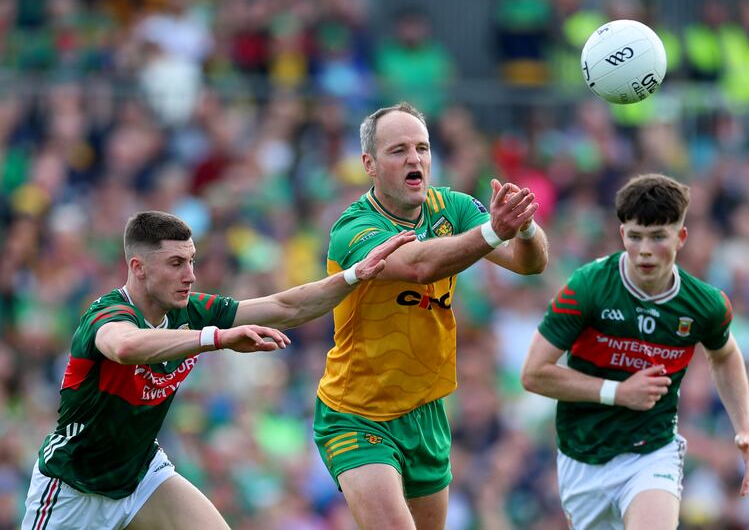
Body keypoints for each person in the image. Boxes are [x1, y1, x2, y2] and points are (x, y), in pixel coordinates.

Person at [21, 210, 415, 530]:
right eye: (176, 263)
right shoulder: (108, 314)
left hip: (141, 475)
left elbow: (285, 308)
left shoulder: (189, 310)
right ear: (138, 267)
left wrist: (353, 276)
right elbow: (125, 347)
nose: (190, 275)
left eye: (191, 261)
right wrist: (216, 338)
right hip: (72, 485)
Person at [312, 101, 549, 530]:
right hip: (357, 411)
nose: (414, 158)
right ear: (369, 163)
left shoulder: (452, 207)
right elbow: (418, 266)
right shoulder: (353, 228)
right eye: (398, 150)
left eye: (421, 147)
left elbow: (529, 264)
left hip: (426, 412)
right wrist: (494, 230)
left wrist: (526, 226)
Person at [520, 174, 749, 530]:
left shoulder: (704, 304)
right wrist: (619, 392)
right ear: (622, 236)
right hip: (583, 456)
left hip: (652, 452)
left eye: (658, 236)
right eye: (635, 236)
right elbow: (533, 373)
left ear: (680, 237)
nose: (645, 249)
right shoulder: (588, 286)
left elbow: (724, 355)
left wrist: (745, 427)